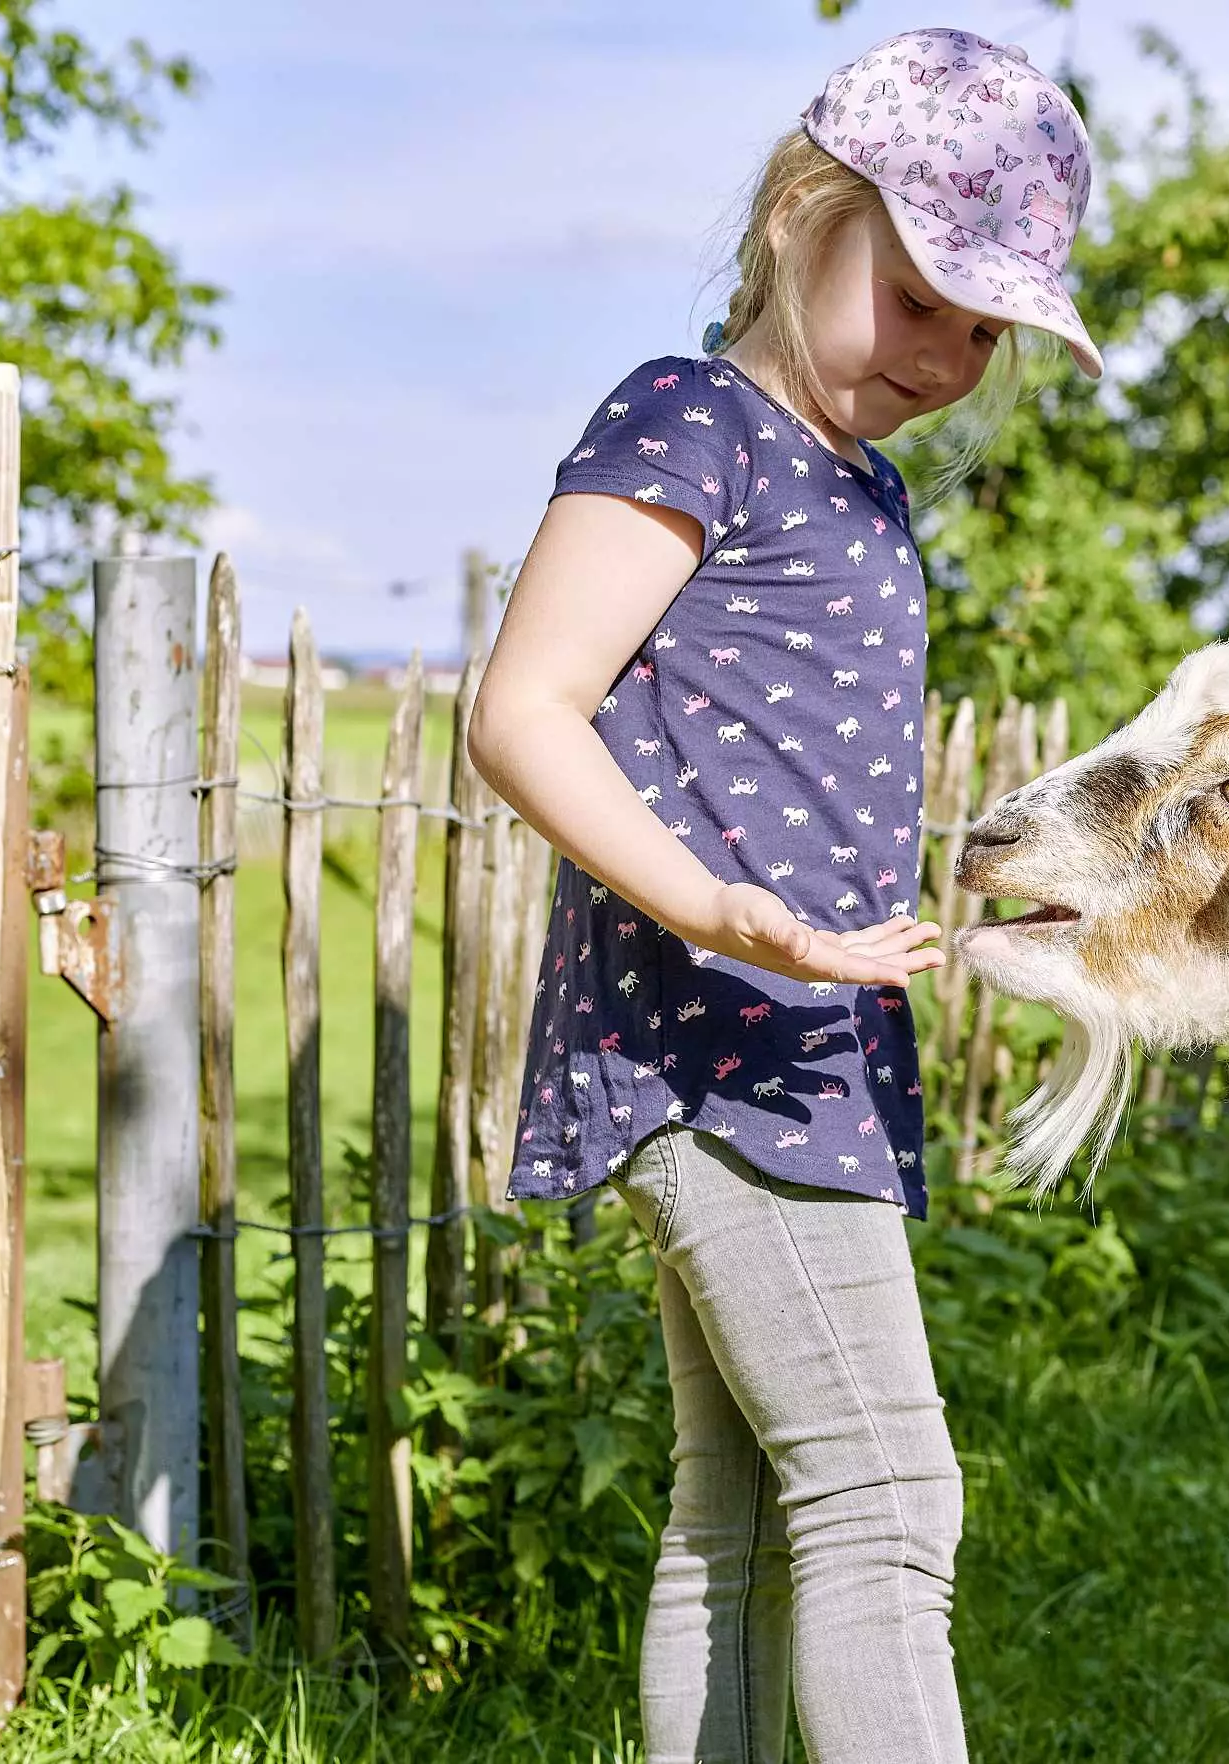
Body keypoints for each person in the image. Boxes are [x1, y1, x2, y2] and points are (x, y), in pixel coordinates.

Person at [465, 29, 1103, 1763]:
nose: (951, 356)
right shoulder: (693, 419)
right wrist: (716, 910)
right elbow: (521, 710)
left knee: (741, 1513)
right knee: (890, 1485)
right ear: (799, 215)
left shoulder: (862, 482)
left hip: (801, 1037)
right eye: (920, 298)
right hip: (715, 1035)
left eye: (985, 331)